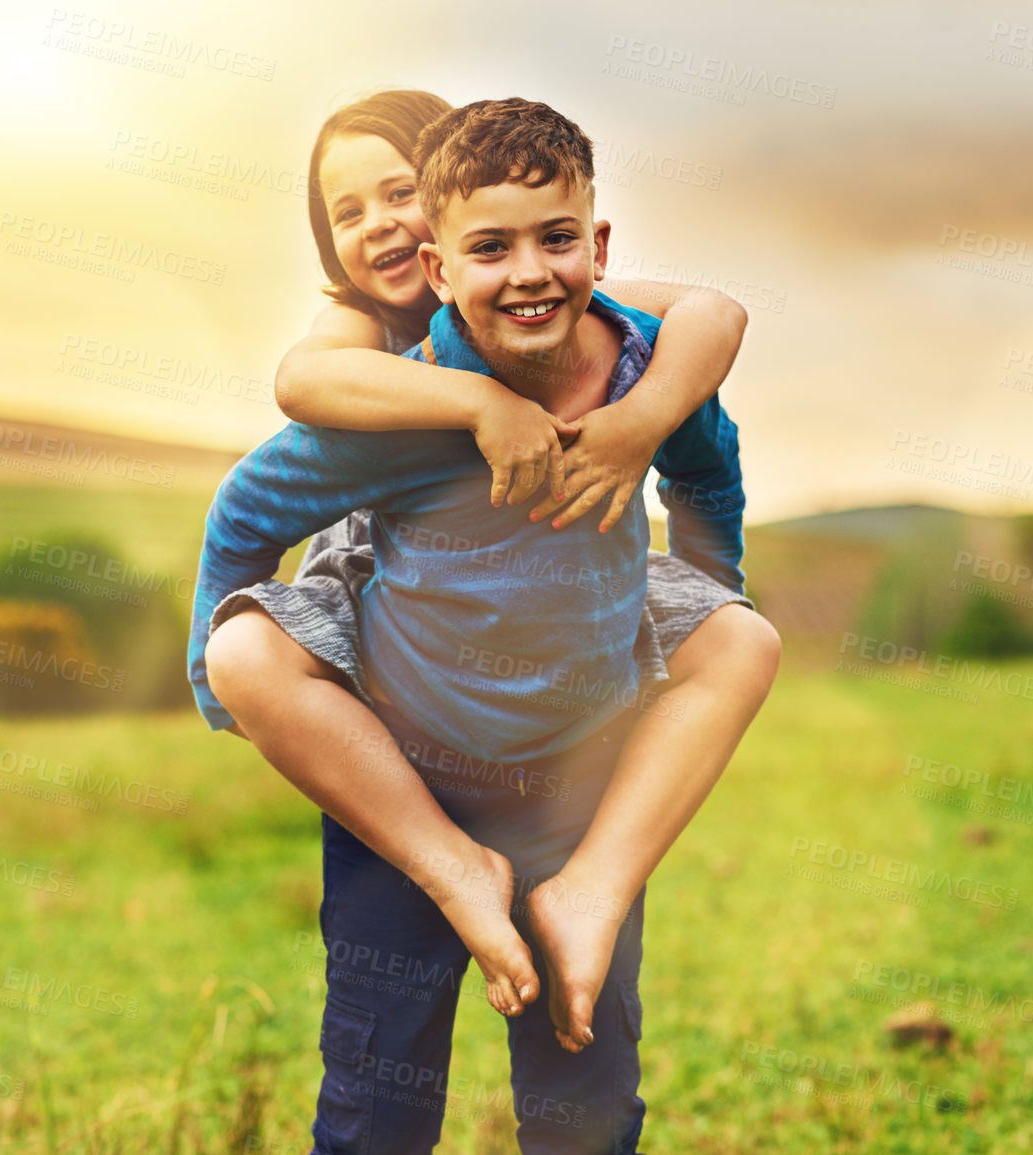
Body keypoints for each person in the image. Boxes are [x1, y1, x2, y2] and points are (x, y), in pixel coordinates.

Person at [189, 97, 779, 1152]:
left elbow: (714, 343)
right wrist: (474, 408)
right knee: (377, 1096)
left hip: (572, 770)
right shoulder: (378, 371)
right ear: (442, 256)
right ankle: (452, 865)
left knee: (586, 1094)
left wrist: (679, 558)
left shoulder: (612, 336)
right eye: (349, 210)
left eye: (400, 190)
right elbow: (262, 476)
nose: (380, 227)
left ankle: (588, 887)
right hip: (407, 758)